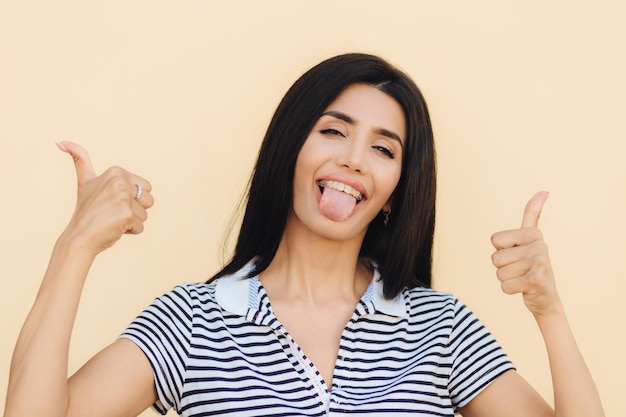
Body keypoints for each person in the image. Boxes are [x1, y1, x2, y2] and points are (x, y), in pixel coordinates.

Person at [3, 53, 604, 417]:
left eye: (384, 148)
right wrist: (74, 247)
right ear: (289, 147)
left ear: (397, 189)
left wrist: (548, 311)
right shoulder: (190, 323)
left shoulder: (440, 329)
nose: (354, 160)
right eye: (333, 131)